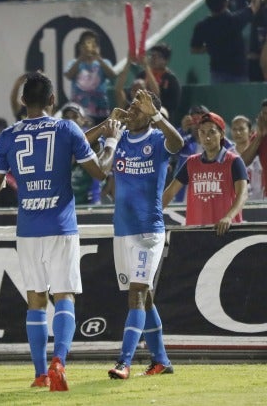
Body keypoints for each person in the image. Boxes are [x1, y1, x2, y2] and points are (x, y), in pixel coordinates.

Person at [0, 72, 112, 391]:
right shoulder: (67, 129)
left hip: (28, 229)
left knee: (36, 300)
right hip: (61, 225)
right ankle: (59, 362)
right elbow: (99, 173)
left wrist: (1, 177)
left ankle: (40, 373)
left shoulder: (8, 136)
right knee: (64, 295)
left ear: (23, 101)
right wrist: (111, 142)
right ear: (53, 101)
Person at [103, 89, 183, 380]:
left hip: (148, 230)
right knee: (144, 296)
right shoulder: (120, 138)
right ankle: (161, 360)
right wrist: (107, 124)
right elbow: (85, 151)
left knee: (137, 293)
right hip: (122, 230)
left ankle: (124, 362)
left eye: (139, 108)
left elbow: (178, 142)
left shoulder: (157, 140)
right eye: (132, 106)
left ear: (150, 115)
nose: (132, 111)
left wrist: (157, 116)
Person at [162, 112, 248, 234]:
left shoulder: (234, 161)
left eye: (212, 132)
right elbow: (170, 193)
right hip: (195, 233)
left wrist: (229, 217)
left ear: (222, 134)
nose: (207, 138)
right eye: (202, 132)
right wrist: (152, 218)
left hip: (226, 232)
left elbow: (243, 194)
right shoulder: (191, 162)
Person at [191, 0, 262, 83]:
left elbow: (194, 49)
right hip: (238, 73)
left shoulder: (202, 26)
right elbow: (254, 7)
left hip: (217, 73)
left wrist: (210, 47)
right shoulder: (234, 21)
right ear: (226, 3)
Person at [64, 29, 116, 125]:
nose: (89, 47)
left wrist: (98, 57)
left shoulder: (104, 63)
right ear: (80, 46)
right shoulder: (73, 63)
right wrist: (81, 58)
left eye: (92, 44)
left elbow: (112, 75)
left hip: (101, 112)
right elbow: (69, 75)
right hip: (80, 114)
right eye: (86, 43)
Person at [137, 44, 181, 123]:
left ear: (166, 60)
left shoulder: (171, 79)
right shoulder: (142, 75)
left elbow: (172, 104)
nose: (154, 58)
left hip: (162, 117)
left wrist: (147, 67)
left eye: (158, 56)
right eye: (152, 55)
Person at [231, 115, 264, 200]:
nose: (237, 133)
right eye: (234, 129)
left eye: (241, 129)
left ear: (251, 132)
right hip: (236, 204)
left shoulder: (260, 153)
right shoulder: (226, 155)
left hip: (259, 204)